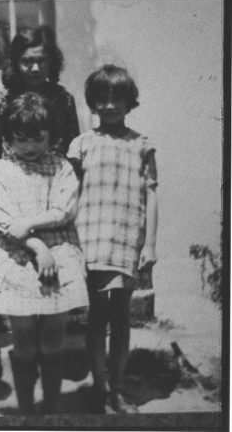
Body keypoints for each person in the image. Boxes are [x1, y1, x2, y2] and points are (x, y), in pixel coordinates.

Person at [0, 92, 88, 415]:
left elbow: (64, 210)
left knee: (52, 339)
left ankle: (50, 409)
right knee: (23, 340)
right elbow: (4, 221)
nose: (30, 146)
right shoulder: (1, 170)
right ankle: (25, 412)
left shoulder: (61, 166)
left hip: (60, 259)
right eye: (21, 139)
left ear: (52, 136)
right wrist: (37, 245)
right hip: (18, 259)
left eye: (38, 138)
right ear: (8, 139)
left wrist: (31, 225)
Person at [67, 65, 158, 414]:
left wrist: (149, 244)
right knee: (96, 317)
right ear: (92, 103)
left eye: (116, 98)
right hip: (89, 239)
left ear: (128, 101)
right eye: (101, 99)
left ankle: (118, 388)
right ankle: (99, 387)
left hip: (125, 241)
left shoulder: (142, 145)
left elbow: (152, 196)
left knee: (120, 316)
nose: (109, 105)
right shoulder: (81, 145)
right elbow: (69, 195)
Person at [0, 25, 79, 167]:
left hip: (54, 177)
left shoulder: (63, 98)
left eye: (41, 61)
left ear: (51, 62)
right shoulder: (1, 100)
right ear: (15, 63)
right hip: (14, 177)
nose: (35, 68)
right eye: (27, 62)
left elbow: (73, 149)